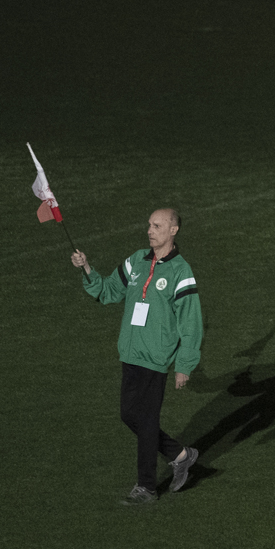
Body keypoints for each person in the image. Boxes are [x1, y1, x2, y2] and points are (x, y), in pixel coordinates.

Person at [69, 209, 202, 505]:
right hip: (130, 354)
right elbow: (107, 291)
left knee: (145, 419)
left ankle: (146, 487)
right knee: (130, 415)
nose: (150, 230)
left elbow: (191, 322)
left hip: (155, 359)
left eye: (157, 226)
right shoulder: (137, 260)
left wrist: (184, 364)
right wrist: (87, 267)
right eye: (149, 225)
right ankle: (182, 456)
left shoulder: (181, 271)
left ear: (174, 230)